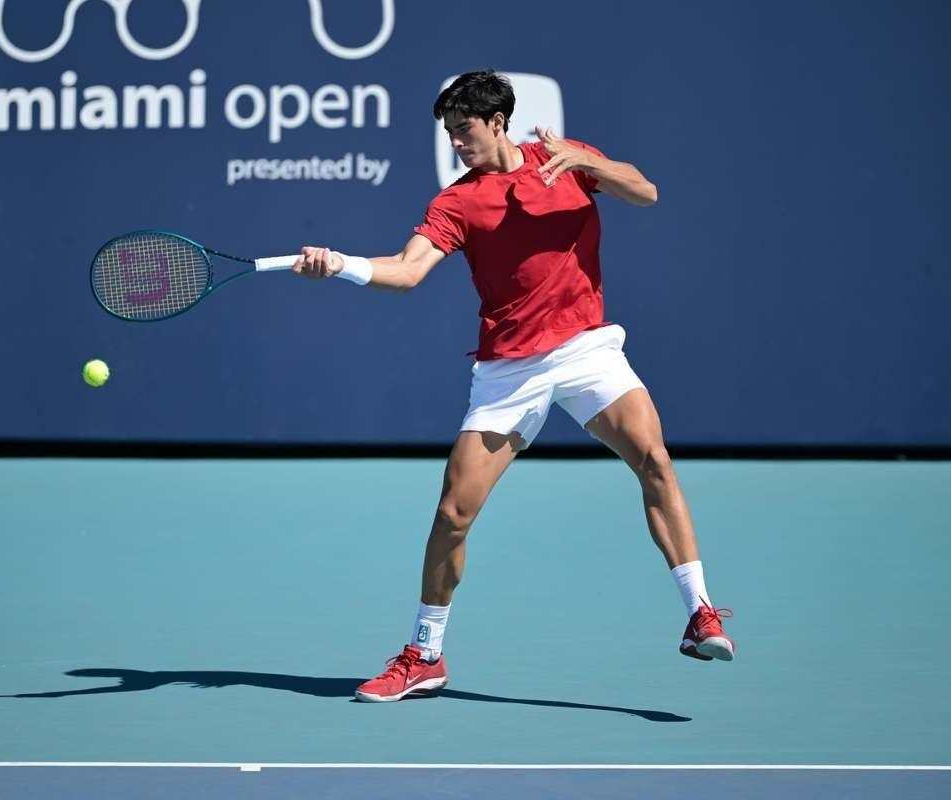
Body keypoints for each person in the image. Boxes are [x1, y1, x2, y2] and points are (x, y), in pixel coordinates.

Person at [292, 70, 734, 703]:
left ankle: (701, 613)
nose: (456, 145)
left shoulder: (567, 161)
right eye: (448, 135)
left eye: (464, 130)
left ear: (497, 122)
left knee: (654, 460)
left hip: (585, 348)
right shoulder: (456, 201)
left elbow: (646, 192)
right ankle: (425, 654)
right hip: (509, 370)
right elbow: (408, 270)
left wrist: (585, 160)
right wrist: (341, 266)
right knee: (453, 513)